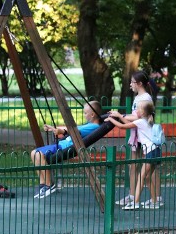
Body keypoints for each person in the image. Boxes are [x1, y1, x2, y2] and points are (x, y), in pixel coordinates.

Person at [108, 71, 162, 207]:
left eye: (132, 82)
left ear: (139, 84)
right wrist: (121, 116)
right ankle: (133, 196)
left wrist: (120, 116)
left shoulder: (145, 98)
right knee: (134, 166)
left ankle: (154, 197)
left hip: (142, 136)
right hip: (137, 135)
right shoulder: (139, 97)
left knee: (149, 170)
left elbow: (138, 117)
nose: (130, 85)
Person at [30, 101, 103, 199]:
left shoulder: (93, 126)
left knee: (37, 153)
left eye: (85, 113)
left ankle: (48, 185)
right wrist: (55, 129)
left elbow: (75, 131)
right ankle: (43, 184)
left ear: (93, 114)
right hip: (61, 145)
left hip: (64, 147)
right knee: (34, 153)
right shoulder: (89, 125)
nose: (84, 115)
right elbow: (72, 130)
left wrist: (61, 131)